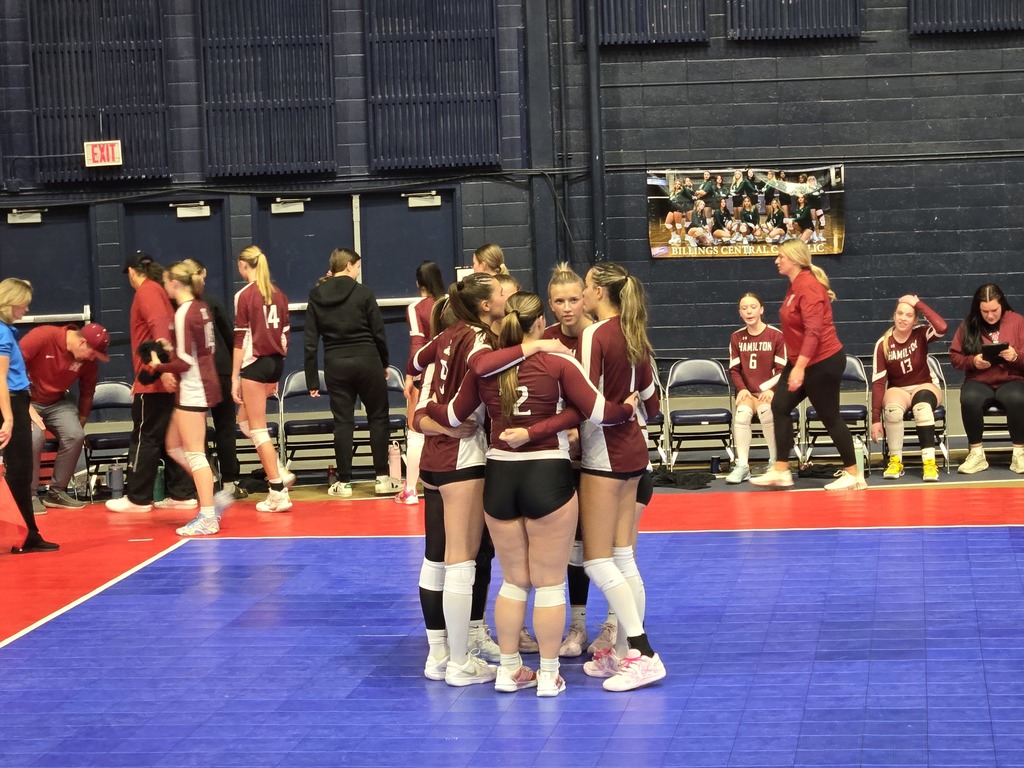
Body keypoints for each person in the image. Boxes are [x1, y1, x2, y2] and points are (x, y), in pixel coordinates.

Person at [424, 291, 638, 697]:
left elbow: (451, 414)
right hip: (546, 474)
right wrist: (628, 408)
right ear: (540, 322)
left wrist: (430, 416)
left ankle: (508, 671)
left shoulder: (486, 368)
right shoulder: (558, 359)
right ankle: (548, 674)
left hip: (499, 476)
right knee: (551, 583)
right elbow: (600, 413)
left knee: (513, 583)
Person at [409, 273, 509, 686]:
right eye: (502, 294)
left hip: (432, 463)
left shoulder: (444, 337)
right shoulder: (480, 341)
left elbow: (416, 382)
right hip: (462, 462)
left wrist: (436, 426)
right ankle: (460, 663)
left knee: (435, 558)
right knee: (461, 562)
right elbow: (462, 404)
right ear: (485, 305)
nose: (507, 297)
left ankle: (438, 655)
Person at [578, 261, 667, 692]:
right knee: (623, 555)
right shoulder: (635, 333)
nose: (582, 290)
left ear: (598, 291)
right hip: (635, 450)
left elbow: (587, 400)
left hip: (606, 453)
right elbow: (651, 400)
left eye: (586, 285)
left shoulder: (596, 333)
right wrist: (632, 410)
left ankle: (642, 652)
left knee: (596, 559)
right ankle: (620, 653)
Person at [751, 240, 867, 491]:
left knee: (830, 417)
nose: (776, 261)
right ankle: (781, 470)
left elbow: (814, 332)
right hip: (802, 361)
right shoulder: (795, 285)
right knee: (779, 405)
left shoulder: (809, 287)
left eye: (780, 256)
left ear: (793, 259)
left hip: (823, 361)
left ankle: (854, 475)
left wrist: (800, 368)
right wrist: (796, 364)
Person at [144, 261, 233, 536]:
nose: (164, 286)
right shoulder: (201, 306)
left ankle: (208, 516)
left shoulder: (183, 312)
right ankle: (212, 487)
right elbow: (197, 348)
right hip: (201, 382)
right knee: (173, 446)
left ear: (174, 284)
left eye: (166, 282)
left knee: (194, 453)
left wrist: (157, 365)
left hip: (194, 387)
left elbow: (183, 361)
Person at [304, 248, 399, 498]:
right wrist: (384, 363)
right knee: (378, 418)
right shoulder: (364, 293)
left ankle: (344, 483)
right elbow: (378, 332)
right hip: (368, 361)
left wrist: (312, 378)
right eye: (357, 267)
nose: (358, 271)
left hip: (336, 364)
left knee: (343, 421)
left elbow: (310, 341)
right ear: (348, 266)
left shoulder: (316, 295)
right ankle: (381, 479)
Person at [106, 251, 196, 514]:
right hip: (162, 379)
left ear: (133, 272)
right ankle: (181, 494)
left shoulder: (146, 292)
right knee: (171, 439)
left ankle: (138, 498)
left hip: (154, 381)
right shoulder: (158, 292)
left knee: (145, 438)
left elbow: (159, 330)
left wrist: (162, 371)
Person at [22, 322, 110, 512]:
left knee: (75, 435)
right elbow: (10, 368)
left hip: (57, 401)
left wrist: (81, 422)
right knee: (34, 437)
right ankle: (28, 494)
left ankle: (57, 492)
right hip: (25, 398)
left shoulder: (87, 363)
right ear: (82, 342)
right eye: (92, 353)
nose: (92, 358)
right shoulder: (43, 336)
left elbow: (87, 393)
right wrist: (25, 406)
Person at [232, 246, 293, 512]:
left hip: (254, 364)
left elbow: (239, 340)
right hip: (274, 363)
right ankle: (278, 469)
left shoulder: (244, 295)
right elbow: (285, 337)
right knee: (243, 421)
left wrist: (235, 376)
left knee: (257, 429)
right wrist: (275, 370)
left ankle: (278, 491)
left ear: (244, 265)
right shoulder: (279, 294)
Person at [1, 279, 59, 554]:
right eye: (23, 303)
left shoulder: (6, 331)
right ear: (10, 302)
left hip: (15, 401)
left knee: (18, 473)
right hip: (10, 404)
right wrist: (9, 418)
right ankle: (25, 536)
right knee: (19, 473)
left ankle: (25, 534)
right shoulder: (2, 333)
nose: (26, 309)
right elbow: (0, 379)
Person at [949, 283, 1024, 474]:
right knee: (969, 399)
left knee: (1018, 398)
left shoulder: (1017, 321)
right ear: (978, 308)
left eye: (994, 310)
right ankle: (976, 455)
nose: (990, 315)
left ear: (1002, 305)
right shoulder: (968, 324)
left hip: (1010, 378)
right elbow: (955, 357)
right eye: (985, 311)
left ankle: (1019, 454)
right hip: (979, 380)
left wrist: (1016, 357)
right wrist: (973, 361)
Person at [870, 295, 947, 481]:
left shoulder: (921, 333)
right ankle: (895, 460)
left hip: (925, 385)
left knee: (922, 408)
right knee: (892, 411)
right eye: (899, 314)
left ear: (915, 320)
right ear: (894, 316)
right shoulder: (883, 344)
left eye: (909, 315)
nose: (903, 318)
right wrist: (875, 418)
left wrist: (918, 303)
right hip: (899, 390)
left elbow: (942, 327)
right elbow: (879, 382)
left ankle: (929, 462)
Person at [185, 259, 240, 498]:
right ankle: (229, 482)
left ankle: (208, 481)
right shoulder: (213, 301)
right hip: (221, 370)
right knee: (225, 427)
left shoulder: (182, 307)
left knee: (196, 431)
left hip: (200, 373)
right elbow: (230, 337)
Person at [397, 260, 446, 506]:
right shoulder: (450, 302)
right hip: (452, 370)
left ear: (419, 284)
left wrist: (410, 375)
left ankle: (410, 490)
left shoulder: (416, 306)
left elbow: (418, 343)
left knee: (415, 429)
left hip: (427, 371)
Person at [726, 293, 786, 484]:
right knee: (742, 414)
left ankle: (774, 461)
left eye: (753, 307)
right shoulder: (736, 337)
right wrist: (742, 389)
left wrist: (771, 389)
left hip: (768, 392)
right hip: (748, 392)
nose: (749, 311)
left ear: (761, 309)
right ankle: (742, 465)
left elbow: (782, 370)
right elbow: (734, 370)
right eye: (744, 308)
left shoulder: (776, 336)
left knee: (766, 411)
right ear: (739, 313)